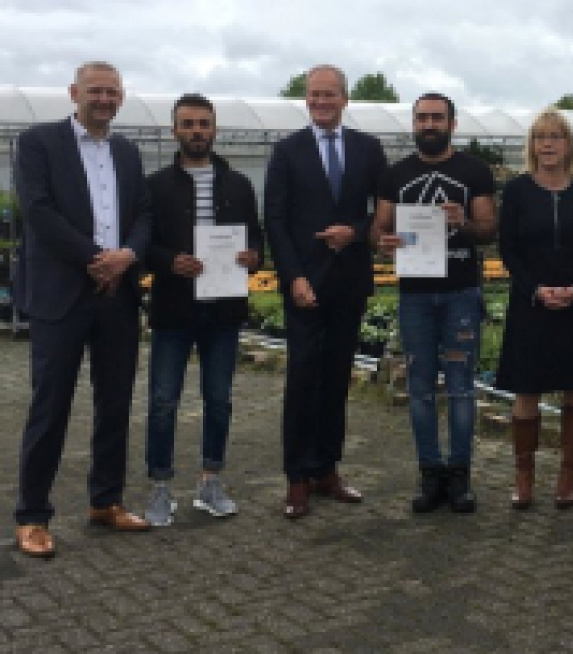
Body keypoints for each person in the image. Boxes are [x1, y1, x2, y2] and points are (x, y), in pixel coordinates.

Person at [12, 61, 154, 557]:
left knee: (115, 406)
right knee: (50, 408)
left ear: (121, 97)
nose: (104, 99)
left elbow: (143, 214)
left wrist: (128, 255)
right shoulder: (38, 143)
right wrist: (97, 259)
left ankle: (105, 501)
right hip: (62, 296)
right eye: (95, 90)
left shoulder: (128, 152)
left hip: (117, 299)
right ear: (74, 93)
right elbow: (39, 212)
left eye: (112, 92)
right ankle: (31, 515)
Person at [264, 65, 387, 519]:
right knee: (302, 380)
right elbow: (274, 220)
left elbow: (381, 211)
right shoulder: (287, 151)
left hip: (349, 281)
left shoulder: (368, 149)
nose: (321, 101)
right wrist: (293, 277)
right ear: (306, 99)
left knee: (337, 379)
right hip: (304, 283)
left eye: (329, 94)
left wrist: (355, 232)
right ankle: (296, 476)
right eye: (314, 94)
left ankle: (326, 469)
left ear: (345, 98)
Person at [141, 93, 265, 526]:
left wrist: (254, 257)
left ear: (215, 130)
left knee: (219, 399)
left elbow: (256, 240)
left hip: (224, 310)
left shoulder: (239, 184)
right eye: (188, 124)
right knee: (162, 401)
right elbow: (142, 243)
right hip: (174, 308)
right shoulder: (155, 185)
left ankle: (210, 480)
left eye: (204, 124)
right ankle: (159, 487)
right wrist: (167, 261)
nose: (197, 131)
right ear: (175, 130)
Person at [374, 92, 497, 514]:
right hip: (416, 295)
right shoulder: (396, 175)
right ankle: (430, 473)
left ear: (452, 124)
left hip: (461, 291)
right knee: (421, 389)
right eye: (422, 118)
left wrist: (464, 222)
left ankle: (460, 475)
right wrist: (384, 243)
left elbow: (488, 230)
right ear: (414, 123)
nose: (429, 124)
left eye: (437, 118)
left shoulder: (473, 171)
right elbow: (378, 230)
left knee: (462, 388)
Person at [494, 109, 573, 510]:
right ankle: (524, 477)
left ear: (568, 145)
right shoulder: (516, 192)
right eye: (540, 137)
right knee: (527, 390)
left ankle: (568, 474)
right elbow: (508, 249)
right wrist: (537, 289)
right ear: (531, 145)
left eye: (555, 137)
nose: (547, 144)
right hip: (531, 303)